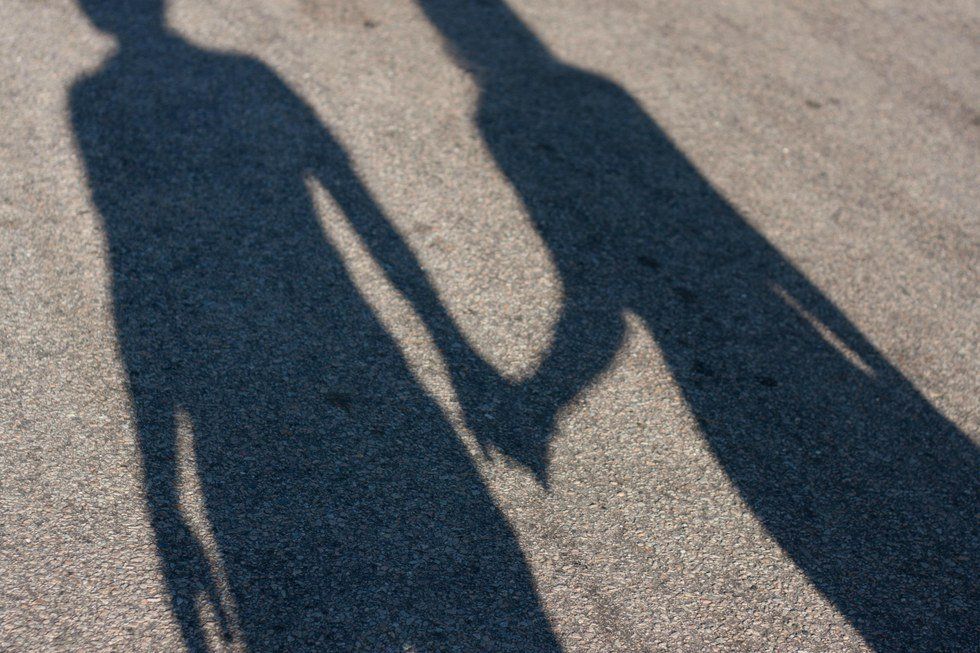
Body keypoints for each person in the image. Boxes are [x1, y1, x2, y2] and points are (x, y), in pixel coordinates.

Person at [412, 1, 979, 650]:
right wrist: (867, 353)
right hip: (832, 362)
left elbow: (598, 293)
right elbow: (747, 243)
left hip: (753, 387)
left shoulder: (503, 114)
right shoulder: (596, 90)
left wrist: (543, 398)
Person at [70, 1, 560, 649]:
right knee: (490, 604)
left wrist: (164, 497)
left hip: (223, 391)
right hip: (351, 346)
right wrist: (451, 346)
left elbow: (126, 262)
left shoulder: (94, 98)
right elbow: (354, 198)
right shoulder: (241, 74)